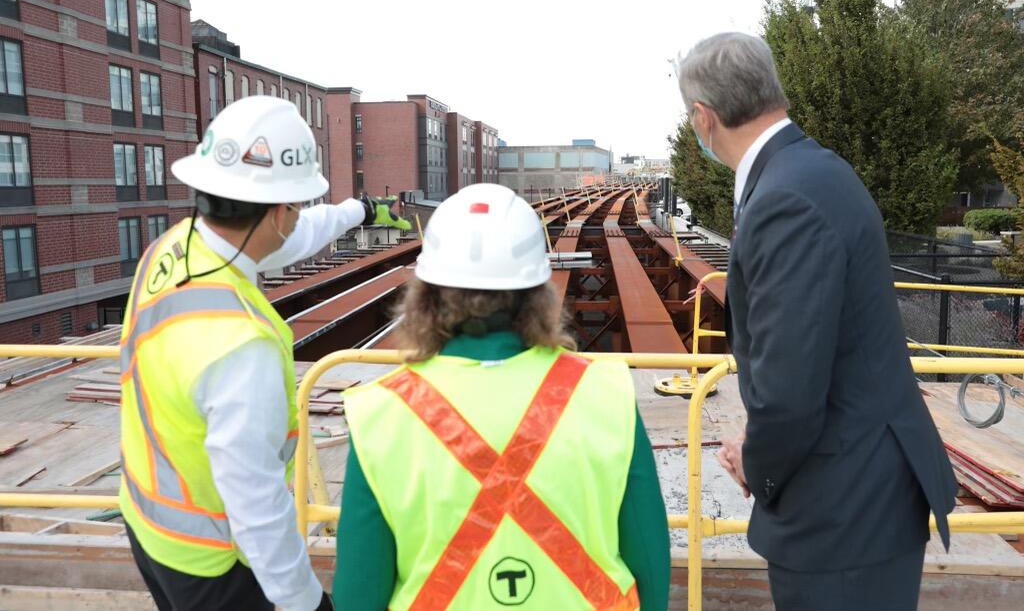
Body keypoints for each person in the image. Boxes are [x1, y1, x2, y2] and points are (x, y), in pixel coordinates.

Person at [674, 32, 958, 610]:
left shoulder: (784, 198)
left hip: (842, 513)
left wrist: (754, 460)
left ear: (704, 117)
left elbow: (791, 387)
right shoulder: (814, 170)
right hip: (865, 496)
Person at [118, 96, 410, 611]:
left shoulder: (174, 248)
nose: (298, 218)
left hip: (148, 521)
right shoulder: (239, 346)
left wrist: (356, 211)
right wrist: (304, 601)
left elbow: (288, 240)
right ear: (278, 211)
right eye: (295, 206)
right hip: (210, 564)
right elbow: (257, 504)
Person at [334, 183, 671, 610]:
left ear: (426, 297)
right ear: (538, 294)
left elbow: (358, 593)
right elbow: (650, 559)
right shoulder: (606, 394)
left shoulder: (380, 416)